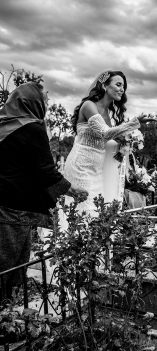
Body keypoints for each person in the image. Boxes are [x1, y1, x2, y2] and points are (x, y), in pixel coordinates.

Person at [0, 81, 88, 299]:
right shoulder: (33, 128)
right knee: (11, 264)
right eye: (45, 99)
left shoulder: (4, 126)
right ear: (33, 102)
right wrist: (72, 190)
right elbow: (46, 172)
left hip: (3, 202)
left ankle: (8, 309)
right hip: (16, 207)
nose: (47, 103)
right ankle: (6, 306)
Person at [63, 70, 142, 221]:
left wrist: (129, 140)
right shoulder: (89, 105)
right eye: (118, 85)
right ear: (104, 86)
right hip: (80, 166)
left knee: (97, 208)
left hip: (97, 170)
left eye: (123, 86)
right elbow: (105, 133)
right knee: (83, 210)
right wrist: (134, 123)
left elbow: (113, 136)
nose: (122, 89)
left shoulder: (108, 113)